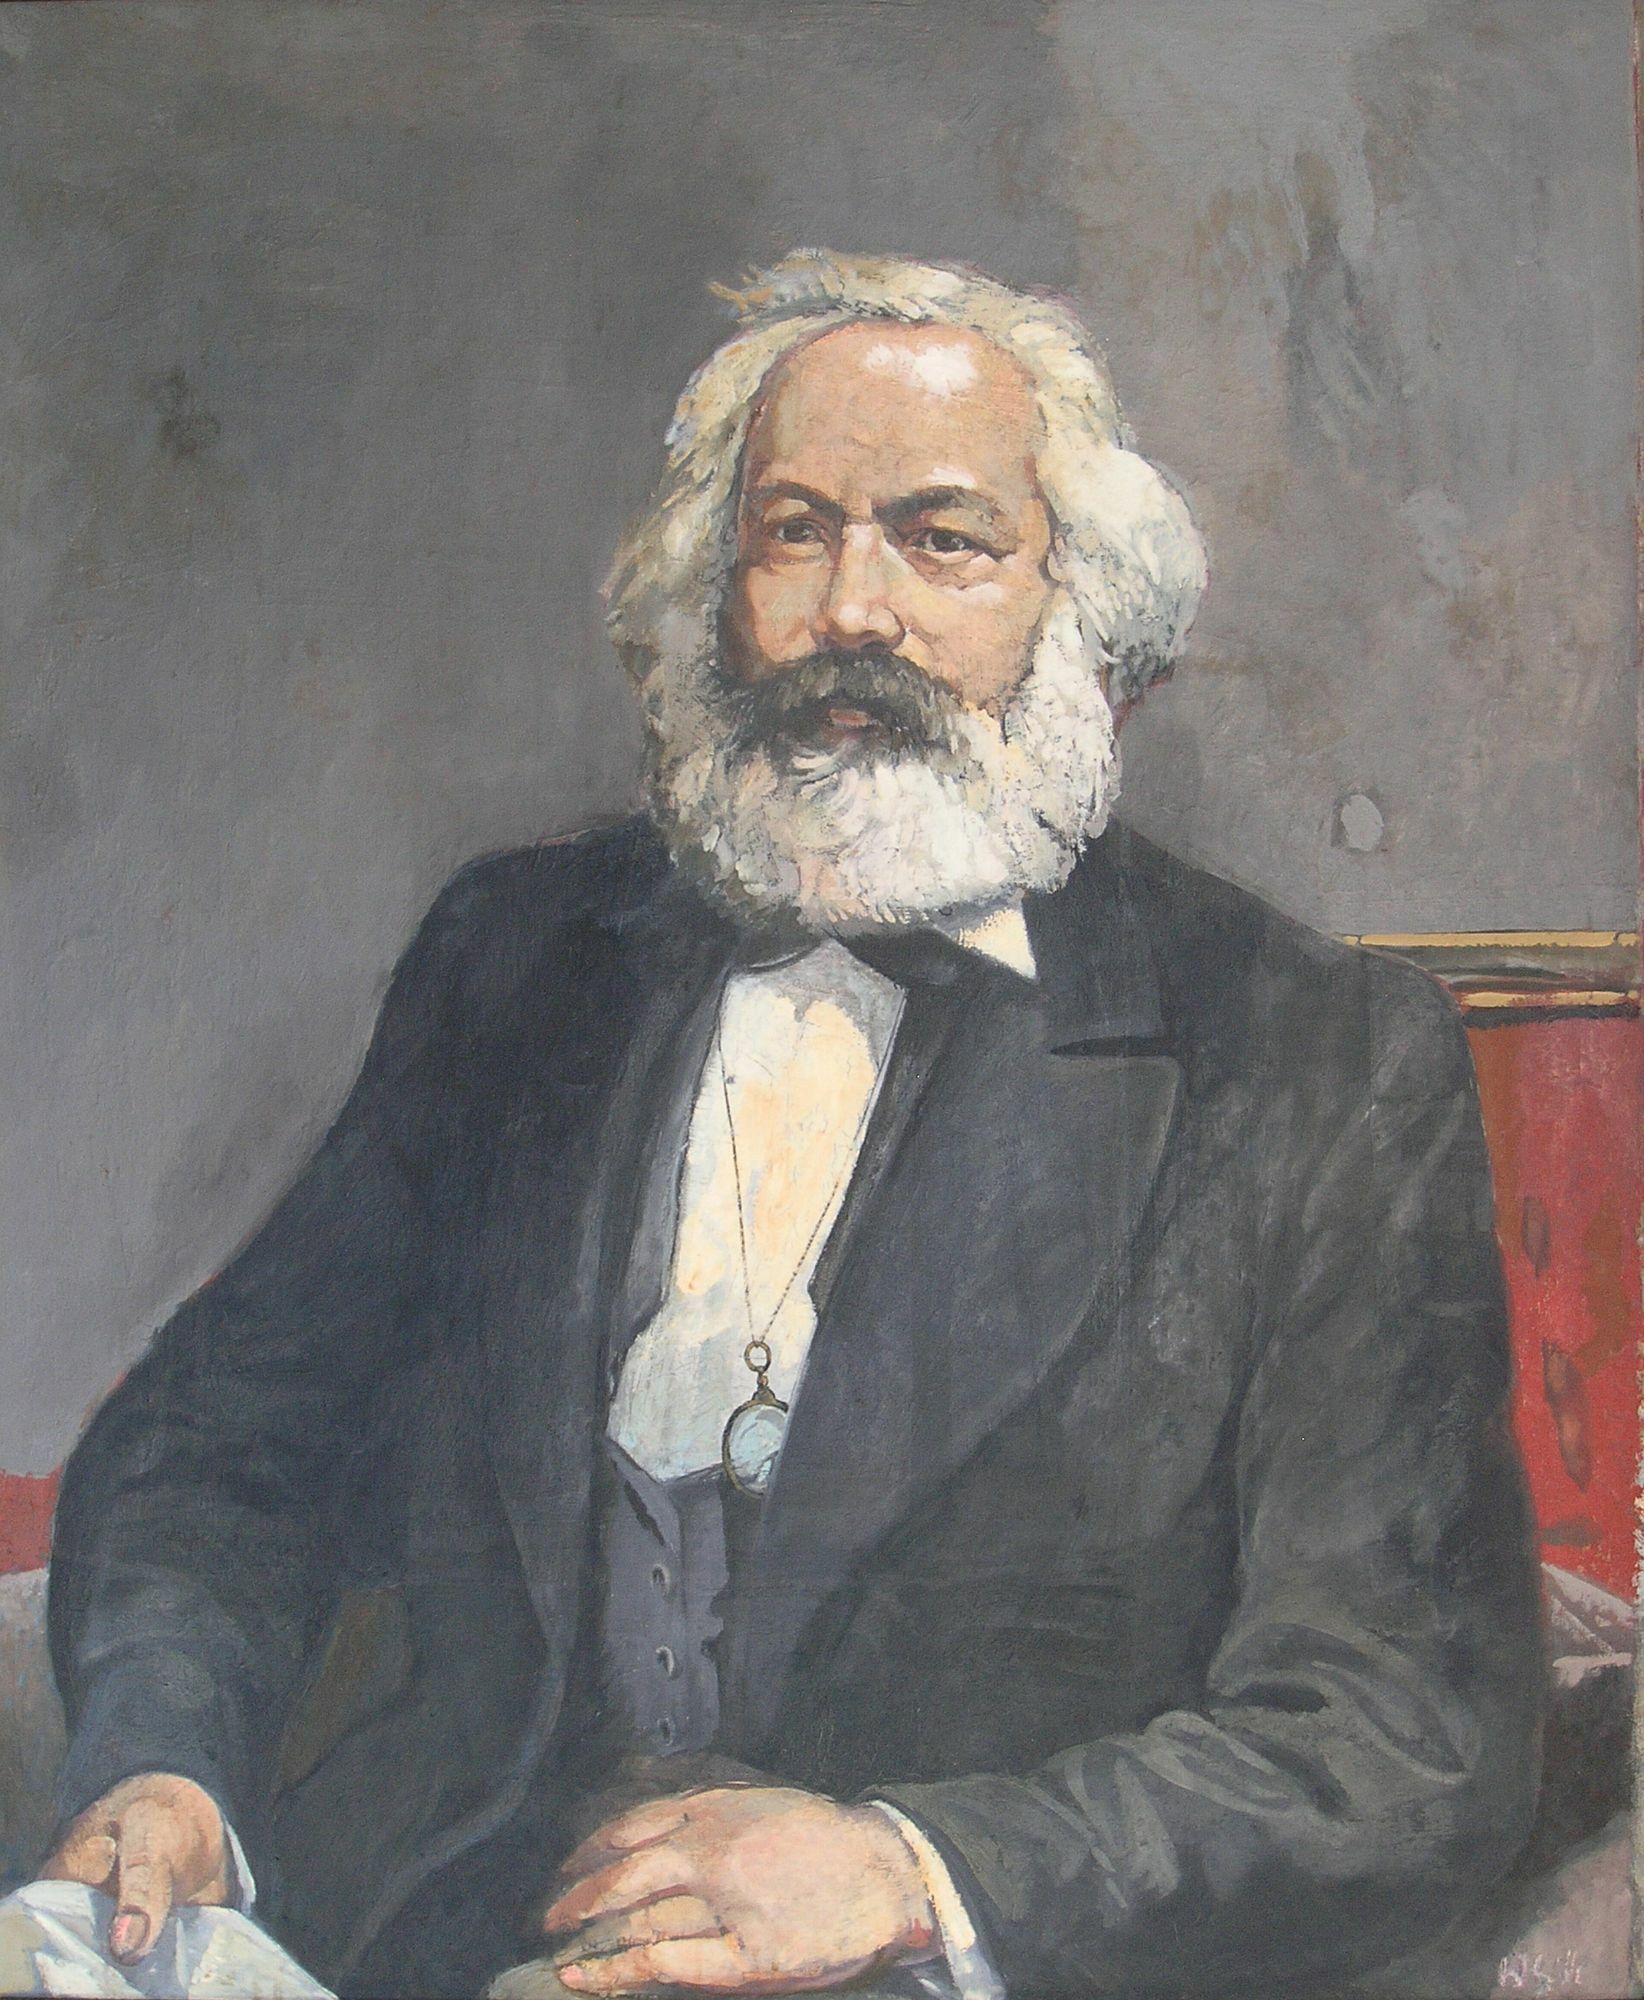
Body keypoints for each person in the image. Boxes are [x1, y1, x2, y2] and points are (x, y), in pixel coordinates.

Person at [39, 251, 1543, 2000]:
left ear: (1085, 614)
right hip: (430, 1943)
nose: (853, 612)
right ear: (718, 588)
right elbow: (220, 1440)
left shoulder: (1311, 1057)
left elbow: (1399, 1733)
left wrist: (913, 1871)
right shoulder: (520, 961)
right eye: (795, 532)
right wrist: (168, 1762)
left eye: (944, 540)